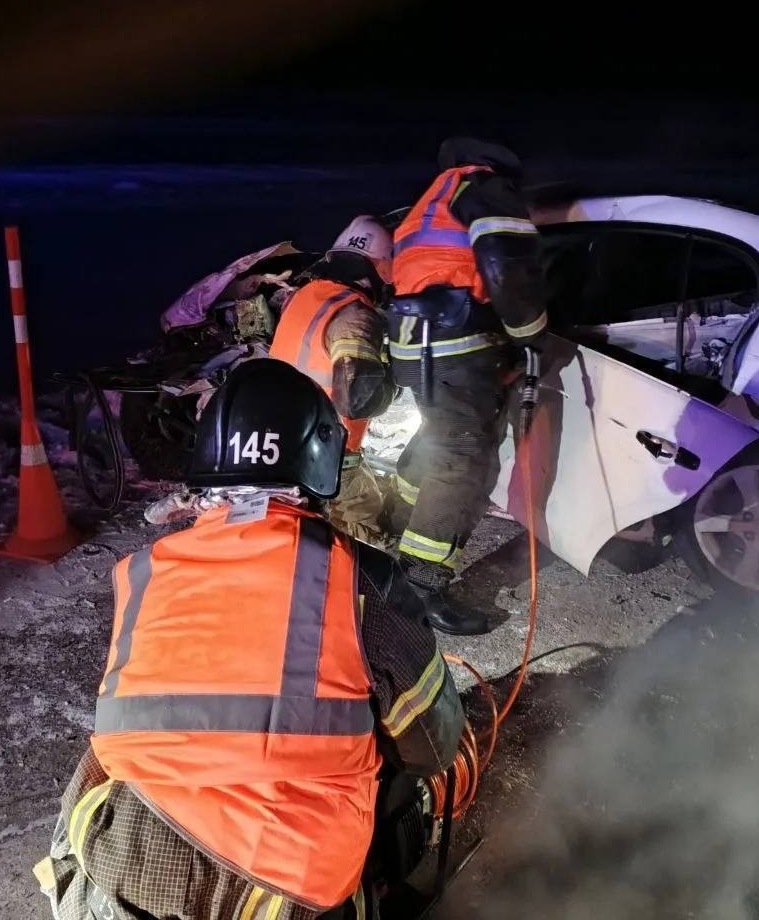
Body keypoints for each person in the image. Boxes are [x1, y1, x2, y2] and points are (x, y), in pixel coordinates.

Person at [36, 359, 463, 920]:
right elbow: (432, 744)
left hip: (122, 861)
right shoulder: (356, 577)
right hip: (273, 885)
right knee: (394, 779)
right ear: (322, 457)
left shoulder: (142, 572)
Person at [387, 137, 548, 636]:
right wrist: (530, 335)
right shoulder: (484, 188)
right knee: (463, 460)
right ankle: (417, 588)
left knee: (440, 440)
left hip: (417, 344)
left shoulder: (430, 202)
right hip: (454, 343)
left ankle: (397, 527)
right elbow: (505, 264)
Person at [270, 216, 396, 547]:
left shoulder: (306, 297)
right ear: (381, 268)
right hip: (330, 452)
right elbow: (356, 398)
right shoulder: (356, 314)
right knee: (365, 538)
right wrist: (393, 382)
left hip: (286, 441)